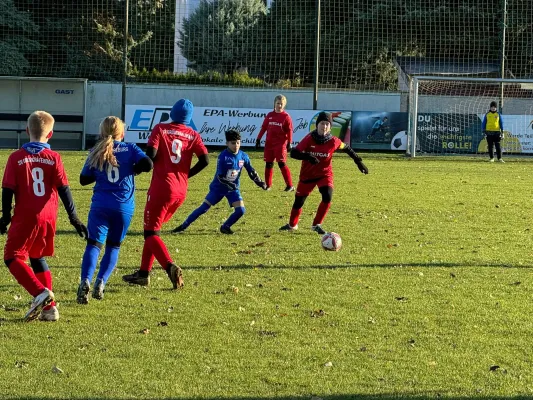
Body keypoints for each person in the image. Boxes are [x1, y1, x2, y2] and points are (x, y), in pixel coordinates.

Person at [0, 111, 87, 321]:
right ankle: (50, 309)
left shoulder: (16, 157)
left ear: (27, 130)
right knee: (36, 256)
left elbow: (7, 189)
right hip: (48, 217)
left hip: (26, 215)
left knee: (12, 256)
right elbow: (64, 189)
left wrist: (5, 217)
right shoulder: (54, 157)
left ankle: (40, 292)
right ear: (50, 134)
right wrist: (74, 218)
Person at [122, 99, 209, 289]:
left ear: (173, 112)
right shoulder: (193, 134)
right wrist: (186, 175)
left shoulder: (161, 128)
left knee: (150, 233)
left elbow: (151, 155)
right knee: (154, 231)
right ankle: (143, 274)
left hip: (162, 188)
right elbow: (205, 160)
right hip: (180, 191)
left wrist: (136, 168)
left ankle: (170, 266)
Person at [77, 116, 153, 304]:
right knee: (113, 246)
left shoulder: (96, 150)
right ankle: (101, 282)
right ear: (122, 133)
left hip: (100, 205)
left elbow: (83, 179)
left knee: (94, 245)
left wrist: (99, 171)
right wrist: (133, 168)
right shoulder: (131, 148)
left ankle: (85, 280)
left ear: (101, 133)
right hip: (123, 207)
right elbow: (148, 164)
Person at [280, 112, 369, 234]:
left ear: (330, 127)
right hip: (308, 175)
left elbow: (347, 148)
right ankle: (292, 225)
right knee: (299, 202)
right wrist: (307, 156)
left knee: (327, 196)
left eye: (327, 124)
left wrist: (358, 162)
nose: (324, 126)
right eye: (322, 123)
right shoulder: (309, 138)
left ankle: (316, 225)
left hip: (324, 174)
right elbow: (294, 153)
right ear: (317, 125)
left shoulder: (333, 141)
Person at [172, 130, 267, 235]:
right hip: (218, 188)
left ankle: (225, 227)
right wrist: (229, 184)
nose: (236, 145)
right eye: (233, 143)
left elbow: (251, 171)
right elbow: (220, 176)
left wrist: (260, 182)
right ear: (227, 143)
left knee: (241, 211)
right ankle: (183, 226)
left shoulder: (243, 156)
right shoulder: (223, 156)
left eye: (238, 142)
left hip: (233, 189)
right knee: (203, 208)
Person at [255, 94, 294, 191]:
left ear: (284, 105)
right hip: (269, 144)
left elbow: (289, 130)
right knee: (268, 164)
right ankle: (268, 185)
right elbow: (264, 127)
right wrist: (258, 139)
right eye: (278, 103)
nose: (279, 106)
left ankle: (290, 185)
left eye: (281, 104)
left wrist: (290, 142)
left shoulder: (286, 117)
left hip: (280, 144)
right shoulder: (270, 115)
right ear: (274, 103)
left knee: (281, 163)